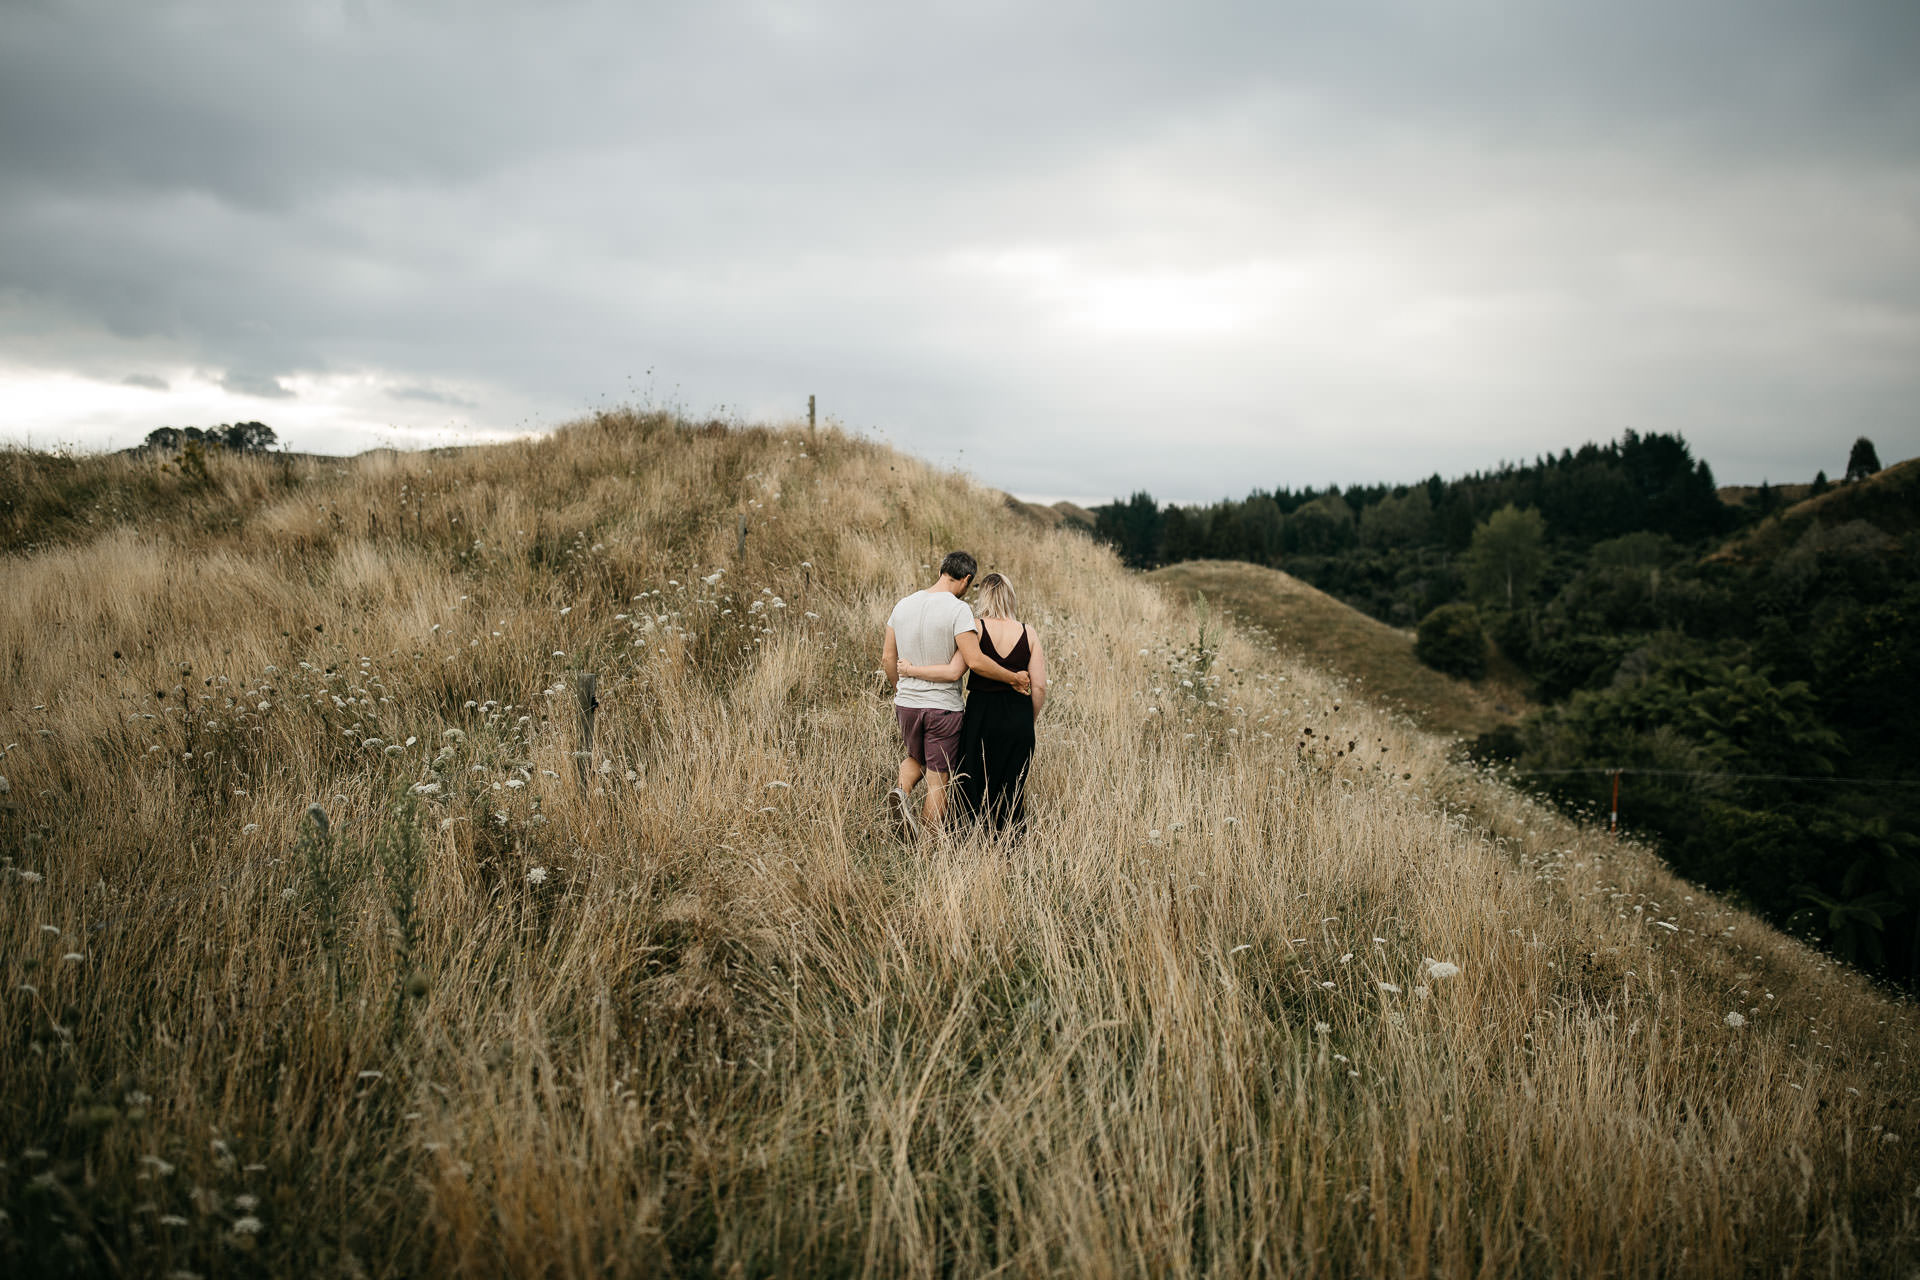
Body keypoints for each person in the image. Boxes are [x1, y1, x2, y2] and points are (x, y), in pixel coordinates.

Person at [882, 551, 1030, 838]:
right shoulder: (958, 610)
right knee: (938, 779)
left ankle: (900, 791)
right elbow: (973, 661)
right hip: (942, 708)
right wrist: (1013, 677)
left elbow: (888, 658)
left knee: (916, 756)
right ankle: (927, 845)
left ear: (941, 571)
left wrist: (900, 689)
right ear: (966, 580)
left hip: (907, 704)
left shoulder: (903, 605)